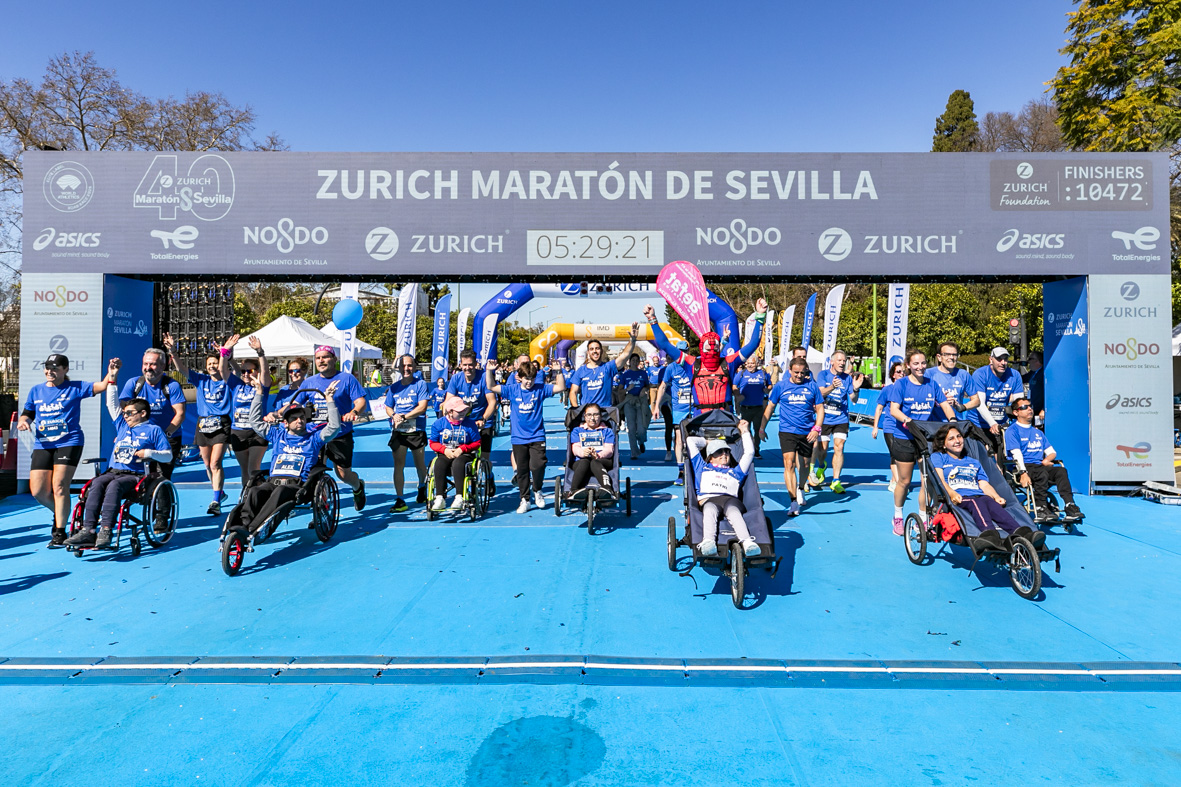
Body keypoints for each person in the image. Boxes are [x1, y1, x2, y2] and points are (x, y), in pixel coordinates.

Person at [646, 299, 766, 484]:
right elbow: (664, 344)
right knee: (699, 462)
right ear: (702, 347)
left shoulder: (729, 362)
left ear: (720, 346)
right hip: (700, 423)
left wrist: (760, 316)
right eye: (709, 345)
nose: (712, 347)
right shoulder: (692, 363)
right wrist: (653, 319)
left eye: (716, 344)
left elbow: (753, 344)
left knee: (730, 461)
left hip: (726, 422)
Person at [65, 362, 173, 549]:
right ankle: (88, 530)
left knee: (114, 486)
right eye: (125, 413)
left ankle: (106, 529)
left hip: (135, 475)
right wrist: (112, 377)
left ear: (143, 413)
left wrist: (149, 453)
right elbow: (111, 403)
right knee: (96, 483)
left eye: (130, 413)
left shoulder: (154, 430)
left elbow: (168, 456)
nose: (126, 416)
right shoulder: (122, 426)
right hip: (113, 470)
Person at [19, 354, 118, 547]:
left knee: (59, 486)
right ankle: (62, 514)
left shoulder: (76, 387)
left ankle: (60, 531)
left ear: (65, 370)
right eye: (47, 368)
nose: (50, 372)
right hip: (43, 444)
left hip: (69, 442)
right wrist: (24, 422)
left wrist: (111, 373)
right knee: (38, 491)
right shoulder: (36, 390)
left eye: (55, 368)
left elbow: (101, 386)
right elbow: (28, 413)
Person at [236, 376, 340, 535]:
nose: (299, 420)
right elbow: (255, 422)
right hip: (273, 481)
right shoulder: (278, 436)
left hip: (297, 486)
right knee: (255, 491)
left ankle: (253, 529)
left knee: (280, 492)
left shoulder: (313, 439)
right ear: (285, 422)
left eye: (302, 417)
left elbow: (334, 427)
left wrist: (330, 400)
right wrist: (258, 393)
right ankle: (241, 526)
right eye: (294, 418)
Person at [931, 423, 1042, 549]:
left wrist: (995, 496)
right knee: (975, 502)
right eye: (951, 439)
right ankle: (989, 535)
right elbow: (940, 480)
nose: (957, 441)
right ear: (944, 444)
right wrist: (951, 493)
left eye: (959, 437)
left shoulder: (973, 461)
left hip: (979, 494)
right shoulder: (939, 457)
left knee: (992, 504)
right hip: (961, 496)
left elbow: (983, 483)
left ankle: (1022, 533)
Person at [884, 349, 957, 536]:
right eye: (916, 364)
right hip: (905, 438)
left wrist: (953, 420)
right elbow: (894, 410)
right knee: (905, 481)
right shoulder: (901, 384)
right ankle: (898, 515)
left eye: (923, 363)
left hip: (925, 439)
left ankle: (924, 519)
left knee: (927, 480)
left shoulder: (932, 384)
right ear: (908, 365)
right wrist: (907, 420)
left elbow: (945, 405)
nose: (920, 367)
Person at [163, 332, 237, 516]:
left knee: (215, 463)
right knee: (206, 463)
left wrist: (225, 353)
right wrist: (172, 351)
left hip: (221, 423)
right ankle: (219, 492)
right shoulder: (200, 380)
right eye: (209, 364)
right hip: (203, 424)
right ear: (206, 367)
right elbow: (181, 369)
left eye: (215, 363)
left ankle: (215, 501)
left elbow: (231, 369)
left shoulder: (228, 380)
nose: (213, 366)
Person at [293, 346, 369, 511]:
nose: (321, 361)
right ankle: (321, 509)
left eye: (325, 357)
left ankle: (357, 487)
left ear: (334, 359)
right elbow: (295, 403)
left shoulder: (346, 379)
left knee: (343, 474)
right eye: (318, 358)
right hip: (315, 434)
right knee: (313, 472)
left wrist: (353, 412)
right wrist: (282, 413)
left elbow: (360, 401)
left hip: (340, 434)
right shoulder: (309, 382)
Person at [485, 358, 565, 513]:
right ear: (520, 377)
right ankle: (524, 499)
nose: (529, 382)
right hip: (518, 437)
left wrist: (559, 371)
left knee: (538, 465)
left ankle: (537, 490)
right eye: (526, 379)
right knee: (521, 470)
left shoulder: (540, 389)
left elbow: (560, 387)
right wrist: (489, 371)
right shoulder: (513, 390)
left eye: (532, 379)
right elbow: (491, 386)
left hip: (537, 435)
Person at [761, 357, 824, 516]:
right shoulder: (781, 386)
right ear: (789, 370)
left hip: (807, 432)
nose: (799, 376)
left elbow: (821, 409)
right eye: (796, 372)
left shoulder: (812, 386)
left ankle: (801, 488)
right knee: (788, 463)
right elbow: (770, 408)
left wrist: (816, 428)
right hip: (787, 431)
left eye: (802, 373)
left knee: (803, 465)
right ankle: (793, 501)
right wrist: (762, 428)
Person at [687, 420, 759, 557]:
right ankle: (708, 542)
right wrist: (709, 442)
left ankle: (748, 543)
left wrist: (744, 431)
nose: (724, 454)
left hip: (730, 499)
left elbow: (749, 452)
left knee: (733, 512)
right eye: (718, 452)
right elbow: (691, 441)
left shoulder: (735, 471)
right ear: (710, 457)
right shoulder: (701, 467)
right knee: (709, 510)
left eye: (726, 451)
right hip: (709, 499)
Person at [1004, 397, 1083, 523]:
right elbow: (1016, 454)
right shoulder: (1012, 431)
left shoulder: (1037, 432)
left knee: (1061, 471)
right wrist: (1023, 473)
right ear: (1016, 412)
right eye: (1024, 407)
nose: (1029, 409)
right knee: (1042, 473)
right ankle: (1041, 508)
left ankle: (1070, 506)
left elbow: (1052, 452)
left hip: (1039, 465)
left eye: (1030, 406)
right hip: (1025, 466)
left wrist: (1047, 460)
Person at [118, 347, 186, 479]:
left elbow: (180, 414)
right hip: (140, 438)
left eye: (153, 364)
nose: (148, 368)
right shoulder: (133, 384)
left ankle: (164, 499)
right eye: (145, 364)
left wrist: (165, 434)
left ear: (162, 366)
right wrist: (123, 435)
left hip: (167, 437)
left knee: (160, 477)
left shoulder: (172, 386)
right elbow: (124, 412)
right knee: (137, 477)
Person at [218, 334, 274, 491]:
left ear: (256, 371)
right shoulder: (237, 385)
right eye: (243, 371)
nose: (245, 374)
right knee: (244, 471)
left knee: (253, 469)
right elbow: (222, 371)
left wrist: (260, 352)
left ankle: (260, 496)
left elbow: (265, 372)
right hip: (239, 431)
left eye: (249, 371)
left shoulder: (262, 384)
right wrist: (224, 352)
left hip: (257, 431)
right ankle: (247, 498)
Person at [810, 351, 864, 493]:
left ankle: (835, 480)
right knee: (822, 449)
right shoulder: (823, 375)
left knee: (839, 447)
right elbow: (820, 393)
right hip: (825, 417)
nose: (842, 363)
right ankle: (822, 465)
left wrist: (856, 388)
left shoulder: (847, 378)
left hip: (841, 418)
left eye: (844, 360)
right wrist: (832, 387)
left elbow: (854, 399)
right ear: (832, 362)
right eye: (839, 360)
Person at [385, 354, 430, 513]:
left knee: (419, 464)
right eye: (403, 366)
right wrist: (393, 415)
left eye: (409, 365)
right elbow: (388, 406)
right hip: (399, 431)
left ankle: (422, 487)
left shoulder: (420, 384)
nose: (406, 369)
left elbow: (422, 407)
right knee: (398, 465)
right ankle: (400, 499)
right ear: (399, 368)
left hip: (416, 430)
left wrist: (404, 416)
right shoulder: (394, 387)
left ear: (414, 367)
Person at [428, 394, 483, 511]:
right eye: (460, 411)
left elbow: (477, 443)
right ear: (450, 412)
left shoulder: (470, 424)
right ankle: (440, 498)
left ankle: (459, 496)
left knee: (458, 464)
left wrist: (462, 449)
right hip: (446, 453)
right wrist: (444, 450)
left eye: (464, 410)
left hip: (465, 454)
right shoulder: (439, 424)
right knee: (439, 464)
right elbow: (433, 443)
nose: (463, 412)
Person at [651, 340, 694, 483]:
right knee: (679, 440)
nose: (682, 355)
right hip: (678, 410)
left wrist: (724, 341)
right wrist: (657, 406)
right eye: (679, 352)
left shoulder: (694, 364)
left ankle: (697, 469)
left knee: (696, 439)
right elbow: (662, 387)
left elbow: (714, 357)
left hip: (695, 409)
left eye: (685, 352)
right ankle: (681, 471)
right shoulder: (671, 368)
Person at [927, 342, 995, 428]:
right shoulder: (929, 374)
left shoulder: (963, 375)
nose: (951, 357)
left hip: (956, 425)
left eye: (954, 355)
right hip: (934, 425)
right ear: (939, 357)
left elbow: (976, 401)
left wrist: (960, 407)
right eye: (947, 354)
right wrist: (940, 402)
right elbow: (919, 399)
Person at [568, 329, 638, 409]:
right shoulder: (581, 371)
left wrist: (632, 340)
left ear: (601, 351)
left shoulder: (608, 367)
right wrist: (577, 409)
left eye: (597, 348)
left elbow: (625, 355)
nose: (595, 351)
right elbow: (573, 392)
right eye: (592, 349)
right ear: (588, 352)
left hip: (605, 411)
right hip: (587, 413)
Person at [447, 350, 498, 455]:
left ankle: (487, 470)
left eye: (470, 365)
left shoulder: (484, 377)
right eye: (464, 365)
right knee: (461, 455)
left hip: (482, 422)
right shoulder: (456, 378)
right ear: (460, 365)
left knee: (484, 456)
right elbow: (448, 401)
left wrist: (483, 419)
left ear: (476, 364)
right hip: (463, 422)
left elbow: (492, 402)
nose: (467, 368)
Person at [968, 347, 1025, 433]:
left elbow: (1019, 402)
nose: (1003, 363)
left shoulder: (1015, 375)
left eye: (1005, 359)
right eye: (999, 359)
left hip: (1001, 424)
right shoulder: (980, 374)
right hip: (978, 424)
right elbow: (979, 404)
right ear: (991, 360)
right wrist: (992, 423)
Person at [872, 361, 906, 494]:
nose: (901, 374)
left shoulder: (908, 388)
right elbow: (879, 408)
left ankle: (893, 481)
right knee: (894, 454)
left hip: (904, 427)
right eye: (898, 372)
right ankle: (898, 482)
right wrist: (875, 427)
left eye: (903, 372)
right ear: (893, 375)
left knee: (902, 456)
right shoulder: (887, 389)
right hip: (890, 427)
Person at [569, 403, 616, 494]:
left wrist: (598, 455)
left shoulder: (607, 431)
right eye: (589, 415)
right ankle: (574, 490)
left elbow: (609, 450)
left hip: (602, 460)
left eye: (596, 414)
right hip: (581, 460)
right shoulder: (577, 430)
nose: (592, 418)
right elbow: (575, 448)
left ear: (601, 416)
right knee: (585, 461)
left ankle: (608, 490)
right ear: (584, 416)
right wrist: (583, 453)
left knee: (595, 462)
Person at [734, 355, 771, 459]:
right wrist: (738, 395)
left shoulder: (763, 374)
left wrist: (767, 390)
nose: (750, 365)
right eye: (749, 363)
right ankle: (747, 449)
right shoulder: (741, 374)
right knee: (745, 430)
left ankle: (756, 449)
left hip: (759, 408)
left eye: (752, 363)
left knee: (758, 430)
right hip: (745, 408)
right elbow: (734, 386)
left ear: (757, 364)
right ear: (746, 364)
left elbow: (769, 385)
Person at [618, 353, 649, 460]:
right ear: (629, 362)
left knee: (641, 428)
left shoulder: (643, 373)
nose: (635, 362)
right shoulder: (625, 374)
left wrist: (645, 390)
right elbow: (620, 390)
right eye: (633, 360)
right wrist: (627, 389)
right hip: (629, 401)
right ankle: (634, 452)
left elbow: (647, 385)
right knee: (631, 428)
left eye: (637, 360)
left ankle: (641, 441)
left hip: (640, 402)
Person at [1022, 351, 1045, 419]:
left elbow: (1049, 392)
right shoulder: (1032, 373)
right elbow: (1021, 379)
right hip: (1033, 408)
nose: (1028, 361)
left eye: (1030, 359)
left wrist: (1044, 409)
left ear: (1037, 361)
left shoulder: (1042, 374)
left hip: (1040, 410)